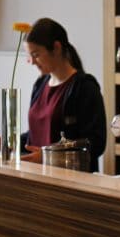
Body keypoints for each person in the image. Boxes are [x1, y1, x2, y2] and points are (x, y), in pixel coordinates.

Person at [20, 18, 107, 171]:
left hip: (70, 180)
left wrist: (49, 156)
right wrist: (9, 143)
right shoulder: (39, 85)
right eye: (29, 56)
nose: (32, 62)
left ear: (56, 48)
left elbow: (96, 143)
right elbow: (36, 134)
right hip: (38, 177)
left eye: (36, 54)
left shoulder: (85, 87)